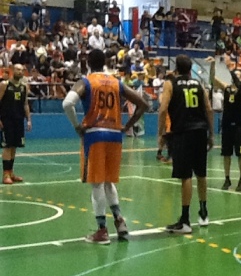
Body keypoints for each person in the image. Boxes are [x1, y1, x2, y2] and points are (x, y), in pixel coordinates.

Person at [62, 49, 148, 244]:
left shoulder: (86, 82)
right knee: (109, 182)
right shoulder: (116, 82)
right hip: (115, 135)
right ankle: (120, 221)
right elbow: (143, 104)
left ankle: (102, 230)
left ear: (88, 63)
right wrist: (127, 125)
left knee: (97, 184)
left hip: (95, 135)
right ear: (105, 62)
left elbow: (67, 104)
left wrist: (77, 126)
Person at [158, 54, 214, 233]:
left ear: (176, 69)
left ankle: (185, 221)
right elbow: (209, 109)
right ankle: (203, 213)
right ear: (190, 69)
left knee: (186, 176)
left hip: (183, 132)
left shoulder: (170, 84)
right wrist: (211, 134)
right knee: (201, 173)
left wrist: (161, 134)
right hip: (200, 131)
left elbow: (163, 109)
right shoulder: (199, 84)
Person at [207, 58, 241, 192]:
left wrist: (231, 70)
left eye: (238, 75)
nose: (235, 77)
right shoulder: (227, 88)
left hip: (239, 126)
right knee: (226, 154)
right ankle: (227, 178)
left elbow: (240, 86)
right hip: (227, 126)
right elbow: (212, 79)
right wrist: (213, 64)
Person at [0, 64, 32, 185]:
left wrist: (28, 120)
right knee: (7, 146)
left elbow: (25, 104)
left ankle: (11, 172)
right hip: (6, 120)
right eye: (18, 69)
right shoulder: (4, 85)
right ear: (12, 70)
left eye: (22, 70)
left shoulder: (24, 87)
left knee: (14, 146)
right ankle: (5, 174)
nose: (20, 72)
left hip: (18, 120)